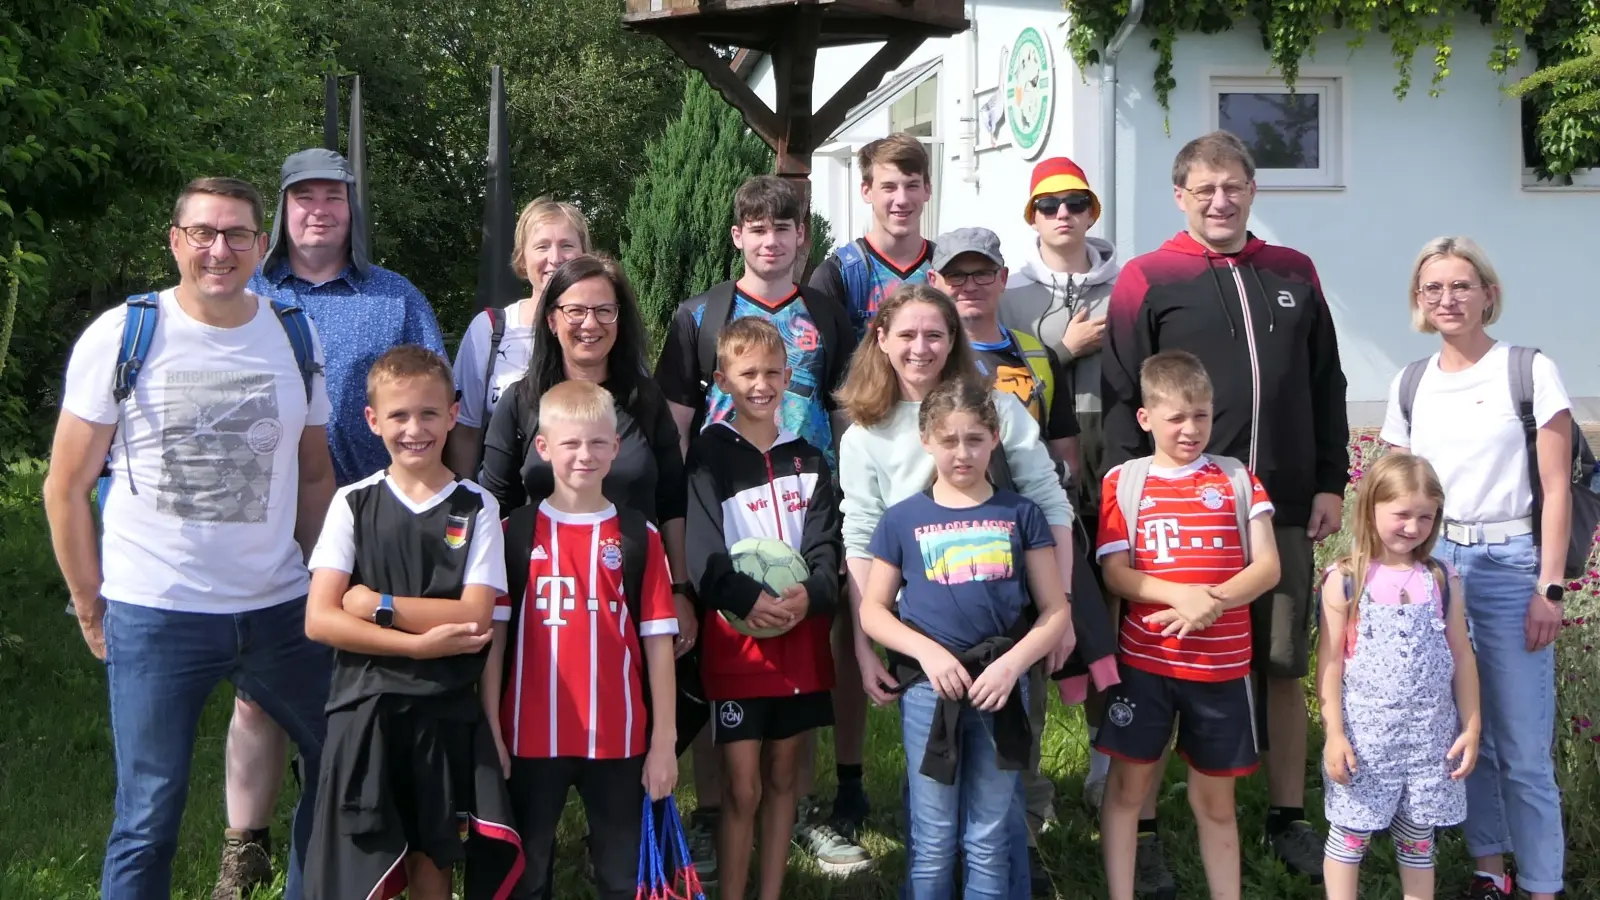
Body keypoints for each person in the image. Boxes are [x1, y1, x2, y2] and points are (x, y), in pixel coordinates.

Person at [42, 176, 338, 900]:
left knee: (343, 771)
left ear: (262, 247)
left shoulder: (294, 332)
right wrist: (90, 603)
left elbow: (313, 477)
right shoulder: (125, 333)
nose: (219, 249)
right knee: (148, 815)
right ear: (176, 241)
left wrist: (317, 582)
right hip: (157, 610)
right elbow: (65, 486)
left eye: (237, 234)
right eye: (202, 232)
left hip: (278, 609)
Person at [1101, 130, 1349, 883]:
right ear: (1179, 195)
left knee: (1277, 662)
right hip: (1170, 511)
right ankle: (1140, 828)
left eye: (1234, 186)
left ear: (1251, 191)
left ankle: (1286, 816)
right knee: (1158, 661)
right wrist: (1126, 496)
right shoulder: (1148, 278)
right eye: (1204, 189)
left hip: (1278, 504)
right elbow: (1120, 396)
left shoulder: (1293, 271)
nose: (1221, 200)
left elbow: (1326, 381)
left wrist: (1330, 479)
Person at [836, 284, 1094, 896]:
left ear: (954, 339)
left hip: (1006, 624)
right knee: (933, 815)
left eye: (935, 334)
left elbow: (1049, 499)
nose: (920, 347)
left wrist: (1065, 612)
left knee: (996, 813)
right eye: (907, 334)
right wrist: (865, 643)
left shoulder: (996, 410)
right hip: (919, 636)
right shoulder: (863, 431)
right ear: (882, 339)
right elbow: (862, 536)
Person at [239, 148, 446, 893]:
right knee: (260, 687)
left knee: (367, 677)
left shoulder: (395, 298)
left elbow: (436, 397)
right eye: (304, 198)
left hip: (378, 521)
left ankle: (368, 824)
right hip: (264, 519)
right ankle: (249, 842)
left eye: (333, 196)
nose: (318, 210)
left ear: (351, 210)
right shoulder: (251, 294)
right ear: (282, 211)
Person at [655, 175, 861, 876]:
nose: (772, 242)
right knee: (727, 676)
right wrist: (687, 529)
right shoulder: (701, 315)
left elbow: (843, 416)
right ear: (738, 237)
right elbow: (675, 430)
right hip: (730, 514)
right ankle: (716, 815)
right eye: (758, 230)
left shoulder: (829, 316)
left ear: (803, 237)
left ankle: (794, 808)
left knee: (801, 673)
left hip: (807, 511)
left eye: (785, 229)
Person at [1379, 236, 1571, 900]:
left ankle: (1544, 885)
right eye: (1433, 288)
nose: (1447, 299)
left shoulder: (1527, 370)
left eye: (1461, 285)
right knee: (1469, 739)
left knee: (1522, 753)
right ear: (1418, 302)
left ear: (1489, 293)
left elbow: (1557, 487)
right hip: (1437, 572)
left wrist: (1550, 586)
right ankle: (1492, 876)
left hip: (1512, 564)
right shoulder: (1410, 382)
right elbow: (1389, 491)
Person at [301, 346, 520, 900]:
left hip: (442, 710)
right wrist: (421, 647)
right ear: (373, 421)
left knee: (433, 859)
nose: (414, 428)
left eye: (428, 413)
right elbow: (320, 619)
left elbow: (474, 615)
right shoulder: (353, 503)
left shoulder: (476, 508)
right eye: (398, 415)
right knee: (360, 867)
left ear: (453, 414)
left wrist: (378, 604)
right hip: (363, 708)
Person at [927, 226, 1083, 896]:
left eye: (981, 272)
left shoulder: (1036, 356)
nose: (969, 285)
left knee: (1023, 708)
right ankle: (950, 844)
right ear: (937, 282)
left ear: (1001, 277)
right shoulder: (930, 360)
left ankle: (1016, 842)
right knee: (942, 713)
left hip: (1024, 562)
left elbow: (1065, 456)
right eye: (955, 274)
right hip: (945, 566)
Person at [482, 379, 680, 900]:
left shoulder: (639, 537)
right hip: (528, 736)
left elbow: (659, 645)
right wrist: (491, 732)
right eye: (570, 443)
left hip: (619, 739)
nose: (584, 455)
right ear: (543, 448)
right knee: (525, 877)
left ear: (616, 448)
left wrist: (664, 742)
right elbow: (495, 644)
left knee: (622, 877)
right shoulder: (513, 534)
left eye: (597, 443)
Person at [1094, 350, 1281, 900]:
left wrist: (1213, 600)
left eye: (1201, 415)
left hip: (1222, 668)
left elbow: (1268, 567)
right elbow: (1116, 574)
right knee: (1129, 789)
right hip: (1146, 665)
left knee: (1215, 803)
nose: (1190, 429)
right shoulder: (1124, 482)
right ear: (1146, 418)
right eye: (1176, 417)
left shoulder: (1236, 479)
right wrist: (1179, 595)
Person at [807, 133, 939, 850]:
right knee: (856, 617)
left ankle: (945, 776)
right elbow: (829, 380)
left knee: (949, 612)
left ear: (925, 191)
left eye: (910, 185)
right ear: (866, 191)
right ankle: (852, 781)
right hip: (865, 464)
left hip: (947, 469)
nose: (899, 198)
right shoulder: (842, 273)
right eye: (886, 185)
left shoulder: (947, 267)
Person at [685, 317, 844, 900]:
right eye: (748, 373)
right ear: (723, 378)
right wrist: (747, 599)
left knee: (784, 778)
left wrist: (814, 595)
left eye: (773, 372)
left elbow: (827, 546)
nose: (762, 384)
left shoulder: (810, 458)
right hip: (739, 643)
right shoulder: (706, 457)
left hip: (799, 636)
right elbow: (701, 551)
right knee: (743, 787)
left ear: (788, 377)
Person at [1000, 157, 1122, 812]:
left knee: (1110, 622)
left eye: (1075, 202)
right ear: (1033, 217)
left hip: (1113, 467)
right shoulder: (1011, 293)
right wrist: (1065, 348)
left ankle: (1110, 768)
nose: (1064, 215)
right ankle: (1031, 783)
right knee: (1044, 620)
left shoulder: (1127, 285)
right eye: (1050, 206)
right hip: (1040, 473)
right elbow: (1012, 375)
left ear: (1091, 210)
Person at [1317, 452, 1481, 900]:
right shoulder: (1346, 580)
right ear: (1371, 507)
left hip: (1430, 742)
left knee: (1418, 842)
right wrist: (1334, 734)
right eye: (1402, 514)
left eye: (1425, 517)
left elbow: (1462, 657)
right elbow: (1330, 664)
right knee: (1349, 838)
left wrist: (1470, 725)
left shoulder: (1441, 578)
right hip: (1367, 742)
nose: (1413, 527)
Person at [446, 198, 591, 478]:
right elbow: (465, 431)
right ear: (523, 258)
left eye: (567, 245)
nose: (555, 257)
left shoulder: (601, 329)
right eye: (542, 246)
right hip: (504, 508)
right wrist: (468, 505)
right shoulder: (489, 331)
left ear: (584, 253)